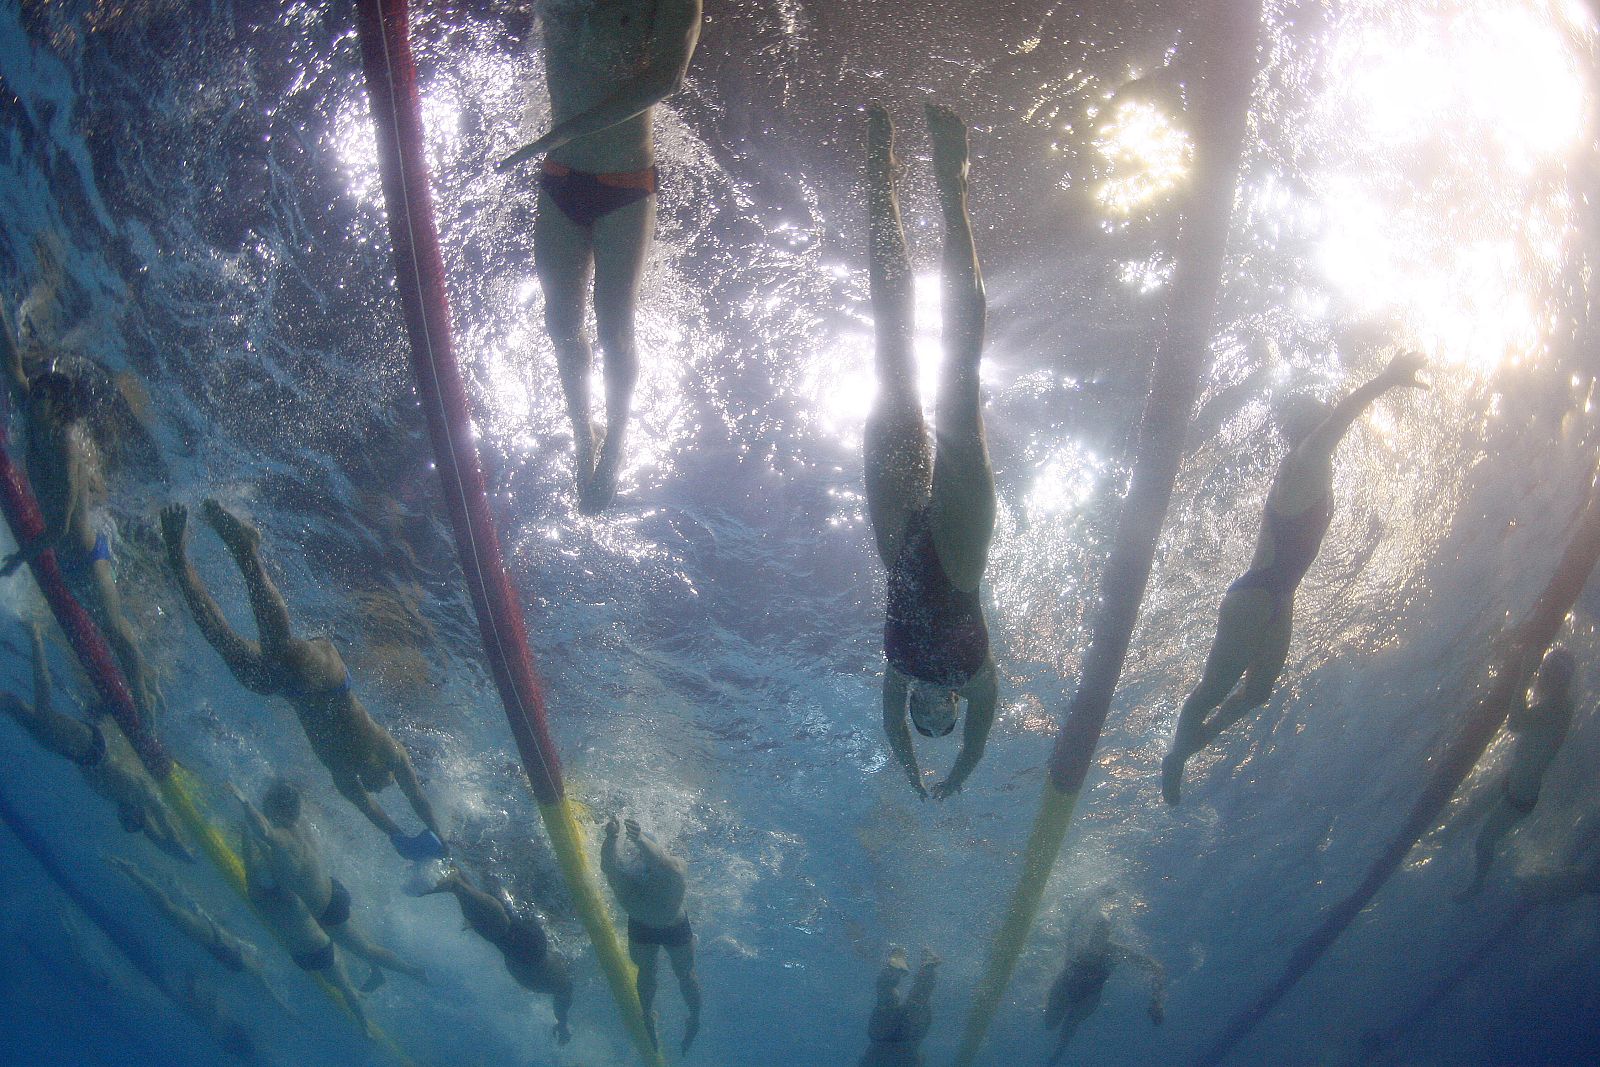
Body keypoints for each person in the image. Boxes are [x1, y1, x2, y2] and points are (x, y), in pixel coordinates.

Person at [1162, 352, 1428, 805]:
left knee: (1257, 693)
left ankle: (1185, 749)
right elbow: (1340, 420)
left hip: (1280, 597)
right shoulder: (1305, 458)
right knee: (1214, 690)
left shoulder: (1312, 468)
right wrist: (1385, 379)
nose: (1327, 415)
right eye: (1319, 412)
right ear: (1311, 421)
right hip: (1258, 593)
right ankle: (1176, 758)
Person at [495, 0, 702, 513]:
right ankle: (582, 436)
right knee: (560, 322)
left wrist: (564, 131)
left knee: (614, 327)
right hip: (560, 179)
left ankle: (615, 445)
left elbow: (667, 80)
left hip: (625, 184)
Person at [161, 499, 447, 860]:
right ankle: (247, 551)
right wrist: (438, 837)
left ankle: (178, 559)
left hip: (291, 689)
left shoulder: (347, 780)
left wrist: (398, 837)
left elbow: (372, 811)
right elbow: (416, 795)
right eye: (388, 786)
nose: (384, 788)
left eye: (381, 789)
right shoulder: (389, 754)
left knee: (228, 647)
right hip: (328, 677)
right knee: (279, 646)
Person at [864, 103, 999, 800]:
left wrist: (912, 768)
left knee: (891, 353)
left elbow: (890, 728)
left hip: (901, 547)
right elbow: (979, 740)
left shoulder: (899, 675)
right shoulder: (976, 684)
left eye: (925, 719)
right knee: (957, 378)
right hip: (961, 555)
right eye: (939, 718)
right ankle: (954, 185)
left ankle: (877, 177)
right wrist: (950, 777)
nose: (929, 711)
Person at [0, 306, 163, 722]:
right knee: (103, 628)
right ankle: (145, 675)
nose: (27, 395)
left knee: (114, 628)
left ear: (53, 407)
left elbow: (60, 525)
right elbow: (12, 364)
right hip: (67, 561)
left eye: (38, 395)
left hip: (88, 558)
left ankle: (142, 698)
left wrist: (22, 556)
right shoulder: (36, 412)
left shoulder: (66, 445)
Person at [1, 624, 191, 861]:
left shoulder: (121, 799)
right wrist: (179, 849)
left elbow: (147, 829)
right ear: (138, 815)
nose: (122, 819)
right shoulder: (141, 796)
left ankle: (7, 701)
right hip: (90, 748)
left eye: (123, 822)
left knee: (27, 720)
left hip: (82, 753)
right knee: (44, 718)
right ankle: (36, 636)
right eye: (129, 821)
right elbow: (161, 825)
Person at [229, 780, 425, 991]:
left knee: (366, 948)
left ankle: (413, 972)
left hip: (326, 910)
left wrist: (245, 803)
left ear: (275, 809)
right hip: (332, 891)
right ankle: (376, 971)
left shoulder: (283, 837)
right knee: (361, 944)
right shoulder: (299, 825)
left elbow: (264, 831)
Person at [235, 791, 373, 1038]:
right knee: (345, 987)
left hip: (299, 955)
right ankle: (365, 1026)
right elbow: (278, 861)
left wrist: (247, 835)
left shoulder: (255, 892)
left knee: (339, 980)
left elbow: (250, 861)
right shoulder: (289, 894)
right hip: (320, 950)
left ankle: (357, 993)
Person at [1458, 646, 1578, 899]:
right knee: (1469, 812)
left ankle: (1478, 885)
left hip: (1520, 796)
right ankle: (1438, 838)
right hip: (1513, 779)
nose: (1540, 677)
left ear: (1557, 678)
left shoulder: (1557, 707)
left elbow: (1516, 723)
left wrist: (1522, 678)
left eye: (1545, 673)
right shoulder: (1558, 704)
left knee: (1484, 842)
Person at [108, 855, 293, 1016]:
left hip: (211, 937)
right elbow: (269, 991)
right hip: (209, 938)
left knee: (170, 907)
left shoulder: (248, 955)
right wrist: (286, 1010)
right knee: (167, 908)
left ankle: (135, 872)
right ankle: (130, 871)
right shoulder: (253, 967)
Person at [411, 867, 574, 1044]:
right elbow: (563, 1002)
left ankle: (460, 873)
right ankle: (458, 885)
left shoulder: (558, 981)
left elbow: (562, 1006)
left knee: (496, 916)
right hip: (530, 953)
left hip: (529, 948)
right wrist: (562, 1023)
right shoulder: (560, 983)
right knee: (500, 930)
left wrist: (562, 1023)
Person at [600, 815, 700, 1054]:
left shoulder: (673, 871)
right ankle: (647, 1015)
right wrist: (612, 838)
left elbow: (665, 863)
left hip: (672, 925)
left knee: (684, 973)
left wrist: (639, 838)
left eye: (642, 856)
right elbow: (608, 865)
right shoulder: (625, 879)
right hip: (642, 926)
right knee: (648, 972)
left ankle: (694, 1017)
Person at [1043, 905, 1165, 1065]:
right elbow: (1076, 917)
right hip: (1065, 987)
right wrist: (1096, 895)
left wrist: (1157, 1002)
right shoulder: (1079, 942)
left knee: (1070, 1025)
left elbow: (1155, 967)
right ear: (1091, 931)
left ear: (1108, 934)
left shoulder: (1114, 951)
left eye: (1104, 931)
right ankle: (1057, 1054)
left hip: (1090, 996)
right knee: (1050, 1024)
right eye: (1097, 930)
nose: (1099, 936)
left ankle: (1056, 1056)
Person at [859, 946, 940, 1067]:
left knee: (917, 999)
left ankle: (927, 967)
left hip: (907, 1041)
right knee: (888, 998)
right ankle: (894, 966)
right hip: (883, 1037)